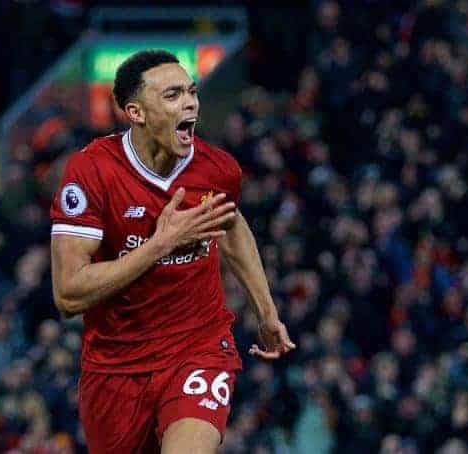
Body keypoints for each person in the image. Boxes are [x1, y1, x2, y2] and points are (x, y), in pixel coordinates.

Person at [50, 49, 295, 454]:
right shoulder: (91, 173)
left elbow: (231, 226)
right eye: (172, 95)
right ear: (136, 112)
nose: (190, 103)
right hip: (115, 367)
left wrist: (266, 313)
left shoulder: (218, 170)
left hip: (197, 350)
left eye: (191, 92)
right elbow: (68, 294)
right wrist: (160, 245)